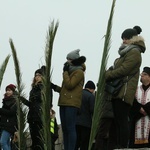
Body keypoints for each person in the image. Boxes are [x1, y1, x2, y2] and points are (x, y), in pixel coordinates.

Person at [103, 25, 146, 148]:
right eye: (123, 38)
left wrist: (108, 74)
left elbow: (124, 69)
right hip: (119, 91)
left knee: (122, 120)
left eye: (126, 38)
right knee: (118, 121)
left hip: (124, 91)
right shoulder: (126, 52)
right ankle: (119, 145)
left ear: (132, 39)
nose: (123, 40)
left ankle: (123, 146)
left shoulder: (134, 52)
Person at [51, 49, 86, 150]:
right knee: (65, 129)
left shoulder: (79, 72)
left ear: (75, 60)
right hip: (64, 102)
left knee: (70, 128)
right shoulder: (70, 72)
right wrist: (54, 87)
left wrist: (65, 72)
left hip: (72, 104)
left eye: (69, 59)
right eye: (67, 59)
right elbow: (65, 89)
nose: (67, 61)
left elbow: (70, 85)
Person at [21, 65, 53, 150]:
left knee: (40, 140)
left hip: (40, 116)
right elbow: (30, 104)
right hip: (32, 116)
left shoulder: (46, 87)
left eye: (39, 75)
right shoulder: (33, 89)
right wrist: (21, 99)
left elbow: (49, 103)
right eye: (36, 75)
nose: (37, 77)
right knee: (34, 140)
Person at [129, 67, 150, 148]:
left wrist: (146, 109)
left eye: (144, 75)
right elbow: (132, 101)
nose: (142, 76)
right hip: (137, 121)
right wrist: (139, 109)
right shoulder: (136, 89)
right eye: (142, 74)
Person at [75, 80, 96, 150]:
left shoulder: (78, 94)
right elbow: (92, 110)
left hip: (76, 122)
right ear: (92, 89)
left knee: (76, 142)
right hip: (86, 124)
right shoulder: (91, 97)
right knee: (84, 143)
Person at [0, 84, 18, 150]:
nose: (8, 92)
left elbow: (11, 112)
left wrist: (1, 110)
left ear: (13, 91)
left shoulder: (15, 101)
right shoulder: (5, 101)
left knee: (2, 142)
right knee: (7, 143)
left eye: (9, 90)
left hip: (10, 125)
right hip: (4, 124)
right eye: (7, 90)